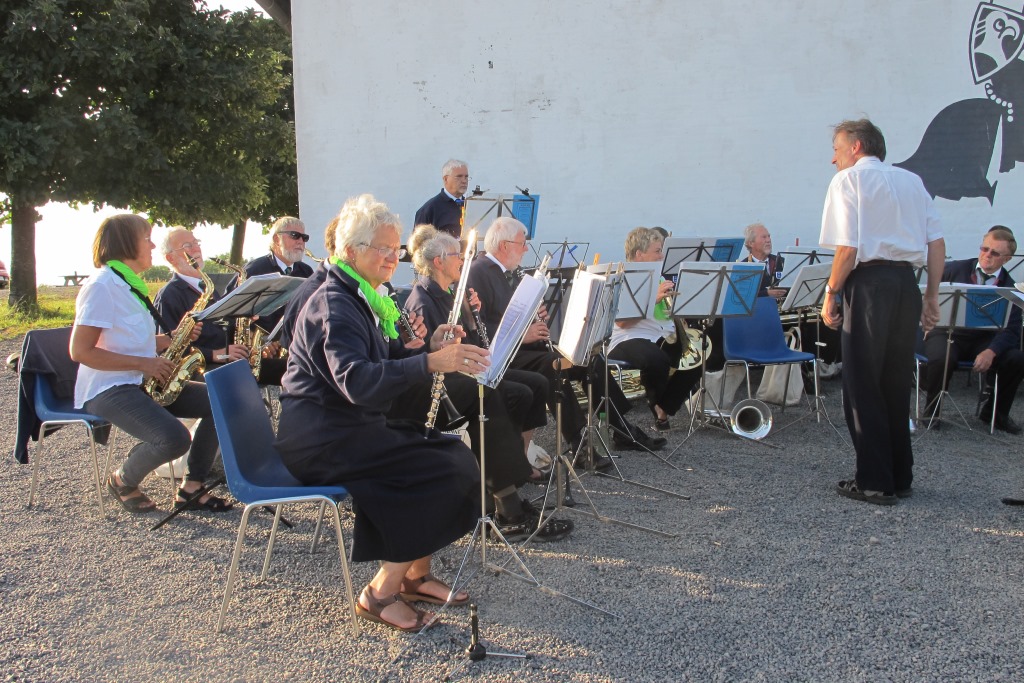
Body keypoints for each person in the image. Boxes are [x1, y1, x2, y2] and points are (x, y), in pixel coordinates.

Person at [274, 195, 481, 633]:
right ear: (351, 251)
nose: (392, 257)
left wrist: (427, 347)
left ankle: (415, 575)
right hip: (323, 439)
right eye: (383, 248)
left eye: (395, 249)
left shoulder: (359, 294)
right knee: (443, 468)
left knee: (450, 454)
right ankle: (379, 593)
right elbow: (357, 381)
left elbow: (378, 359)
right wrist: (430, 362)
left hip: (348, 427)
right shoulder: (334, 304)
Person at [403, 224, 573, 539]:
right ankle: (506, 503)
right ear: (439, 261)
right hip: (441, 386)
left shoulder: (448, 292)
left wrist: (473, 316)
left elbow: (472, 340)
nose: (462, 261)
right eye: (457, 255)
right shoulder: (422, 299)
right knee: (493, 396)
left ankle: (506, 481)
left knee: (526, 390)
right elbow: (429, 354)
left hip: (463, 372)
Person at [69, 214, 232, 514]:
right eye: (147, 239)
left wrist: (171, 339)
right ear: (126, 243)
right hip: (109, 387)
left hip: (140, 380)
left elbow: (129, 338)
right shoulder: (102, 286)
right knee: (174, 439)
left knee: (222, 401)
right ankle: (122, 480)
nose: (153, 246)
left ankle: (192, 488)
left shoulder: (128, 284)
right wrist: (145, 364)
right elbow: (80, 351)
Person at [820, 118, 945, 505]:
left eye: (837, 149)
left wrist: (830, 293)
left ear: (856, 146)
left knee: (862, 384)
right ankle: (899, 476)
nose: (833, 159)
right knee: (895, 382)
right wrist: (931, 297)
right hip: (906, 283)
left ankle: (874, 481)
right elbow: (936, 243)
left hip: (869, 285)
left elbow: (848, 248)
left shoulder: (849, 180)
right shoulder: (912, 181)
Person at [467, 216, 667, 457]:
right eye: (522, 244)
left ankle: (620, 428)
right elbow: (476, 327)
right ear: (504, 245)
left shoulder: (509, 272)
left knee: (587, 358)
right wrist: (523, 333)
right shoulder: (479, 272)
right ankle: (578, 441)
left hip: (524, 349)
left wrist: (534, 317)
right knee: (553, 365)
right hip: (502, 357)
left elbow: (511, 314)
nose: (526, 249)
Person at [923, 226, 1024, 434]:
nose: (987, 255)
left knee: (1016, 358)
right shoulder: (954, 269)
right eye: (984, 249)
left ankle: (995, 414)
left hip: (983, 339)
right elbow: (927, 298)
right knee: (943, 357)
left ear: (1007, 259)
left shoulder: (1010, 287)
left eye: (995, 253)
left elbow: (1012, 330)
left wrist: (991, 351)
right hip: (947, 332)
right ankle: (931, 412)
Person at [153, 228, 286, 385]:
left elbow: (220, 327)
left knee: (294, 369)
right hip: (203, 371)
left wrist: (247, 331)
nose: (196, 249)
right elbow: (168, 350)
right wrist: (217, 354)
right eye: (187, 246)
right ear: (170, 258)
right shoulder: (168, 295)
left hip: (230, 360)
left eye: (196, 243)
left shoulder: (207, 287)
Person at [607, 227, 701, 431]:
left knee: (698, 356)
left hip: (660, 336)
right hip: (628, 338)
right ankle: (657, 406)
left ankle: (665, 408)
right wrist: (653, 299)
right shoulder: (623, 278)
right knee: (656, 358)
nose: (662, 256)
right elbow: (622, 323)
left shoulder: (658, 277)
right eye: (657, 251)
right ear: (639, 254)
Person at [243, 216, 314, 336]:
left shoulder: (306, 271)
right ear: (277, 239)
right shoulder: (254, 269)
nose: (301, 241)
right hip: (261, 343)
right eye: (294, 235)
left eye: (304, 237)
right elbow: (231, 310)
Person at [414, 159, 470, 239]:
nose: (464, 181)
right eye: (459, 176)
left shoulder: (470, 206)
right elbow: (418, 243)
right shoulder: (429, 209)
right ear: (446, 179)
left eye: (466, 177)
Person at [740, 222, 787, 299]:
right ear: (751, 243)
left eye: (769, 236)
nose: (768, 240)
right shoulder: (743, 267)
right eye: (764, 237)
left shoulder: (781, 261)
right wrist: (766, 293)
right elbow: (742, 295)